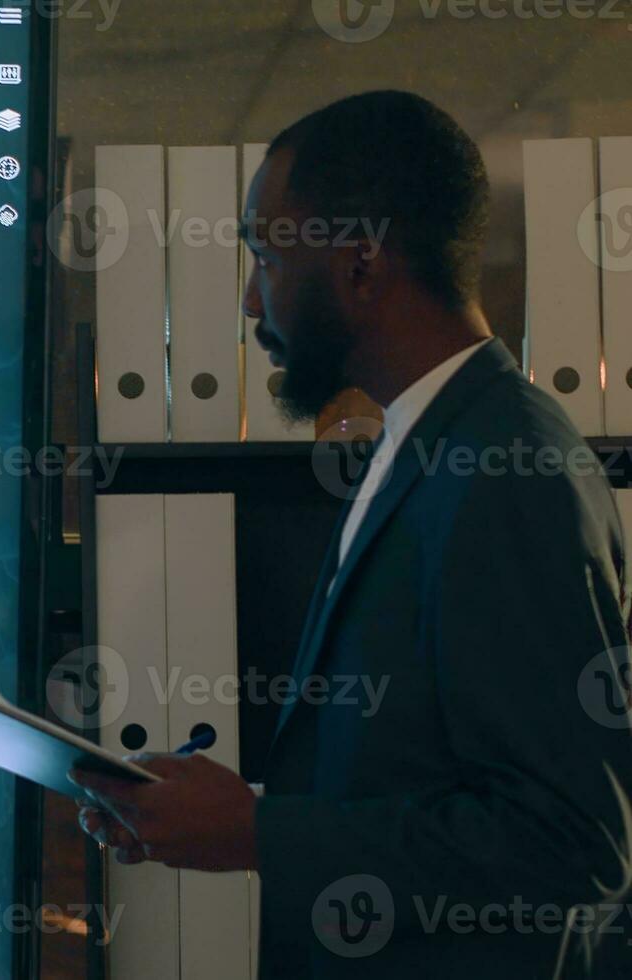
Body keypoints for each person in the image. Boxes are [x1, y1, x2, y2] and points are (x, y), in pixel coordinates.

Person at [71, 91, 632, 977]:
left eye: (265, 254)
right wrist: (235, 811)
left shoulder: (510, 469)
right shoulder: (427, 440)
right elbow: (422, 781)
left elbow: (571, 844)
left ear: (361, 264)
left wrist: (262, 832)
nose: (252, 298)